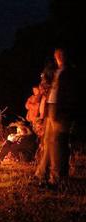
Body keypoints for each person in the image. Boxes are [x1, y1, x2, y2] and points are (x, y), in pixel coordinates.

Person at [34, 48, 77, 187]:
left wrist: (65, 111)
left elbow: (70, 95)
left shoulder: (69, 72)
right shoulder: (55, 71)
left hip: (61, 110)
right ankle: (41, 173)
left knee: (58, 144)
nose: (58, 56)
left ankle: (57, 177)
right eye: (57, 53)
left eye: (61, 53)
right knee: (48, 141)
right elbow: (46, 88)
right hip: (51, 107)